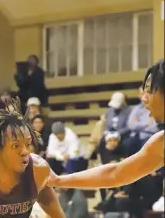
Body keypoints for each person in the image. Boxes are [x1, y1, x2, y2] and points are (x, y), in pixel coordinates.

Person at [48, 60, 164, 190]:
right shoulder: (160, 142)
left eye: (149, 90)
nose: (144, 98)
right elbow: (115, 174)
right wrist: (57, 180)